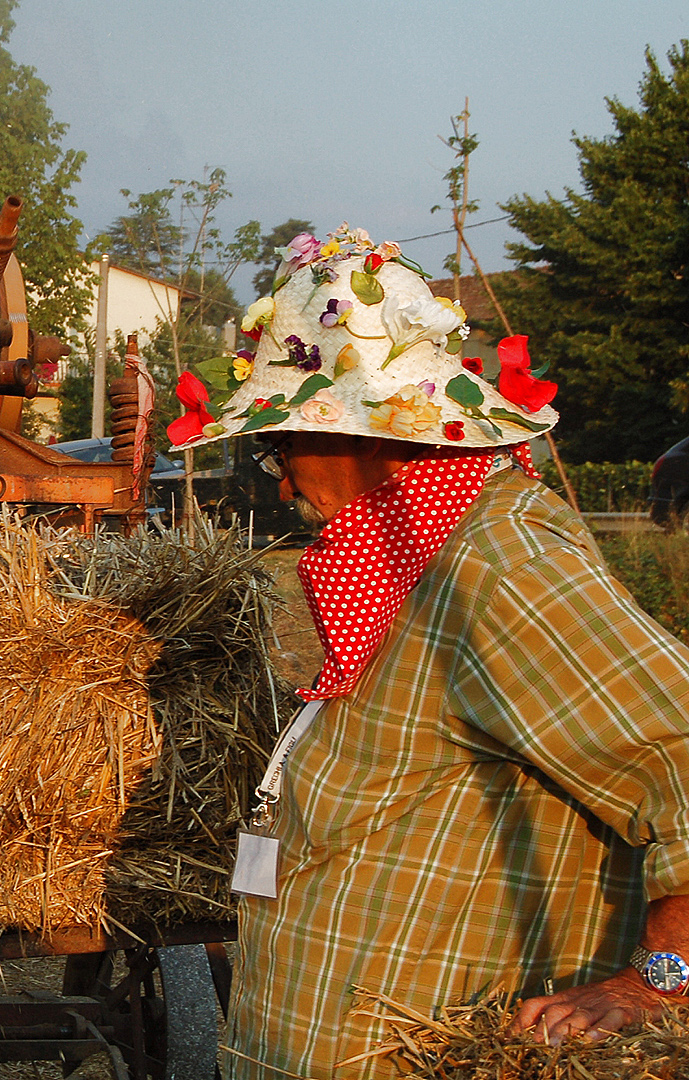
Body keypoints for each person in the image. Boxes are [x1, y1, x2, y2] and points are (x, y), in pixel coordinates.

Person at [163, 224, 689, 1078]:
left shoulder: (494, 563)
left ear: (375, 430)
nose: (281, 478)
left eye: (282, 444)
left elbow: (680, 753)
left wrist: (661, 986)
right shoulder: (409, 552)